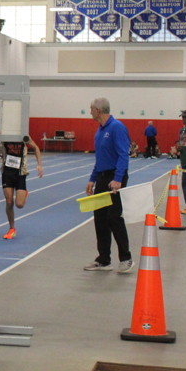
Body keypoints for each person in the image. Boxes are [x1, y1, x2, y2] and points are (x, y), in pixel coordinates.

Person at [84, 97, 133, 273]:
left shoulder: (117, 127)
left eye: (91, 108)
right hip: (102, 178)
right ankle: (104, 260)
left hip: (115, 177)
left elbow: (123, 155)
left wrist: (118, 179)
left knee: (114, 217)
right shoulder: (99, 131)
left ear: (98, 110)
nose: (90, 111)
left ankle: (126, 258)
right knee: (100, 218)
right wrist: (92, 179)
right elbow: (100, 159)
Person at [0, 136, 43, 240]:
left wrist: (39, 165)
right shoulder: (4, 135)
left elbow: (36, 148)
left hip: (20, 173)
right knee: (9, 202)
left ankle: (24, 193)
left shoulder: (24, 136)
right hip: (7, 172)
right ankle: (12, 228)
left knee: (19, 204)